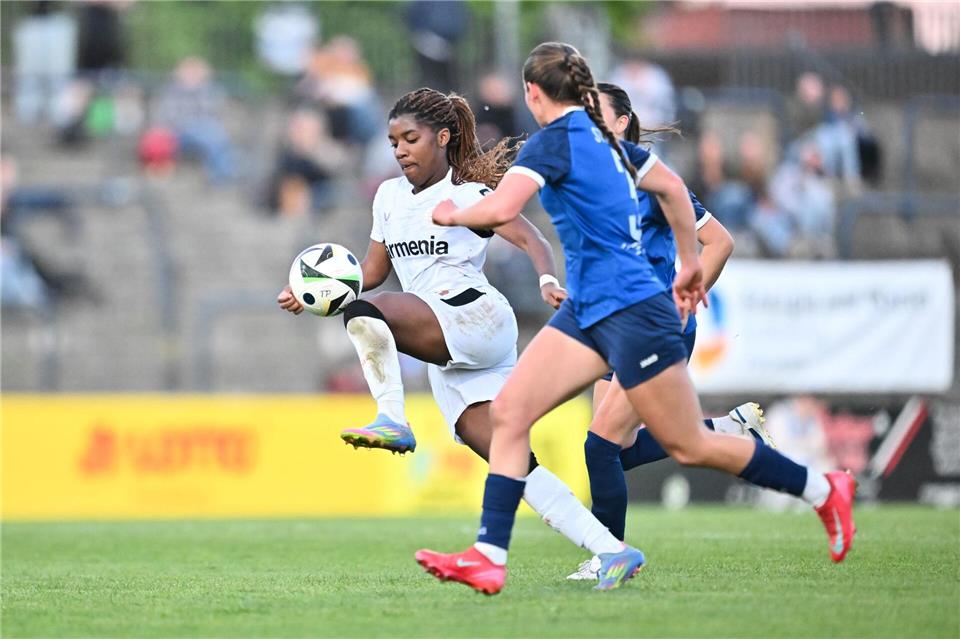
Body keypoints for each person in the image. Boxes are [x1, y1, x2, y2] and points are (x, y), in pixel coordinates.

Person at [415, 42, 857, 596]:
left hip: (629, 309)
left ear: (532, 93)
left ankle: (822, 489)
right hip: (589, 311)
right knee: (510, 415)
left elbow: (502, 210)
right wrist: (691, 264)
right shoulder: (610, 143)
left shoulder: (556, 141)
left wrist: (453, 211)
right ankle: (488, 555)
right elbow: (672, 189)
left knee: (687, 443)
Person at [277, 87, 634, 568]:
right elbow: (373, 270)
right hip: (442, 344)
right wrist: (316, 288)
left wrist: (548, 278)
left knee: (363, 312)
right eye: (393, 141)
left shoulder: (467, 195)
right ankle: (612, 551)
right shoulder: (387, 196)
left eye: (411, 138)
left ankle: (393, 419)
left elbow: (531, 239)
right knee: (515, 465)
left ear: (442, 137)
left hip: (474, 317)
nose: (400, 149)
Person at [565, 82, 774, 582]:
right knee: (612, 450)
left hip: (654, 329)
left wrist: (681, 299)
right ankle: (727, 431)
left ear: (621, 123)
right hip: (613, 329)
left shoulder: (653, 177)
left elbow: (718, 241)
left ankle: (609, 558)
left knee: (598, 447)